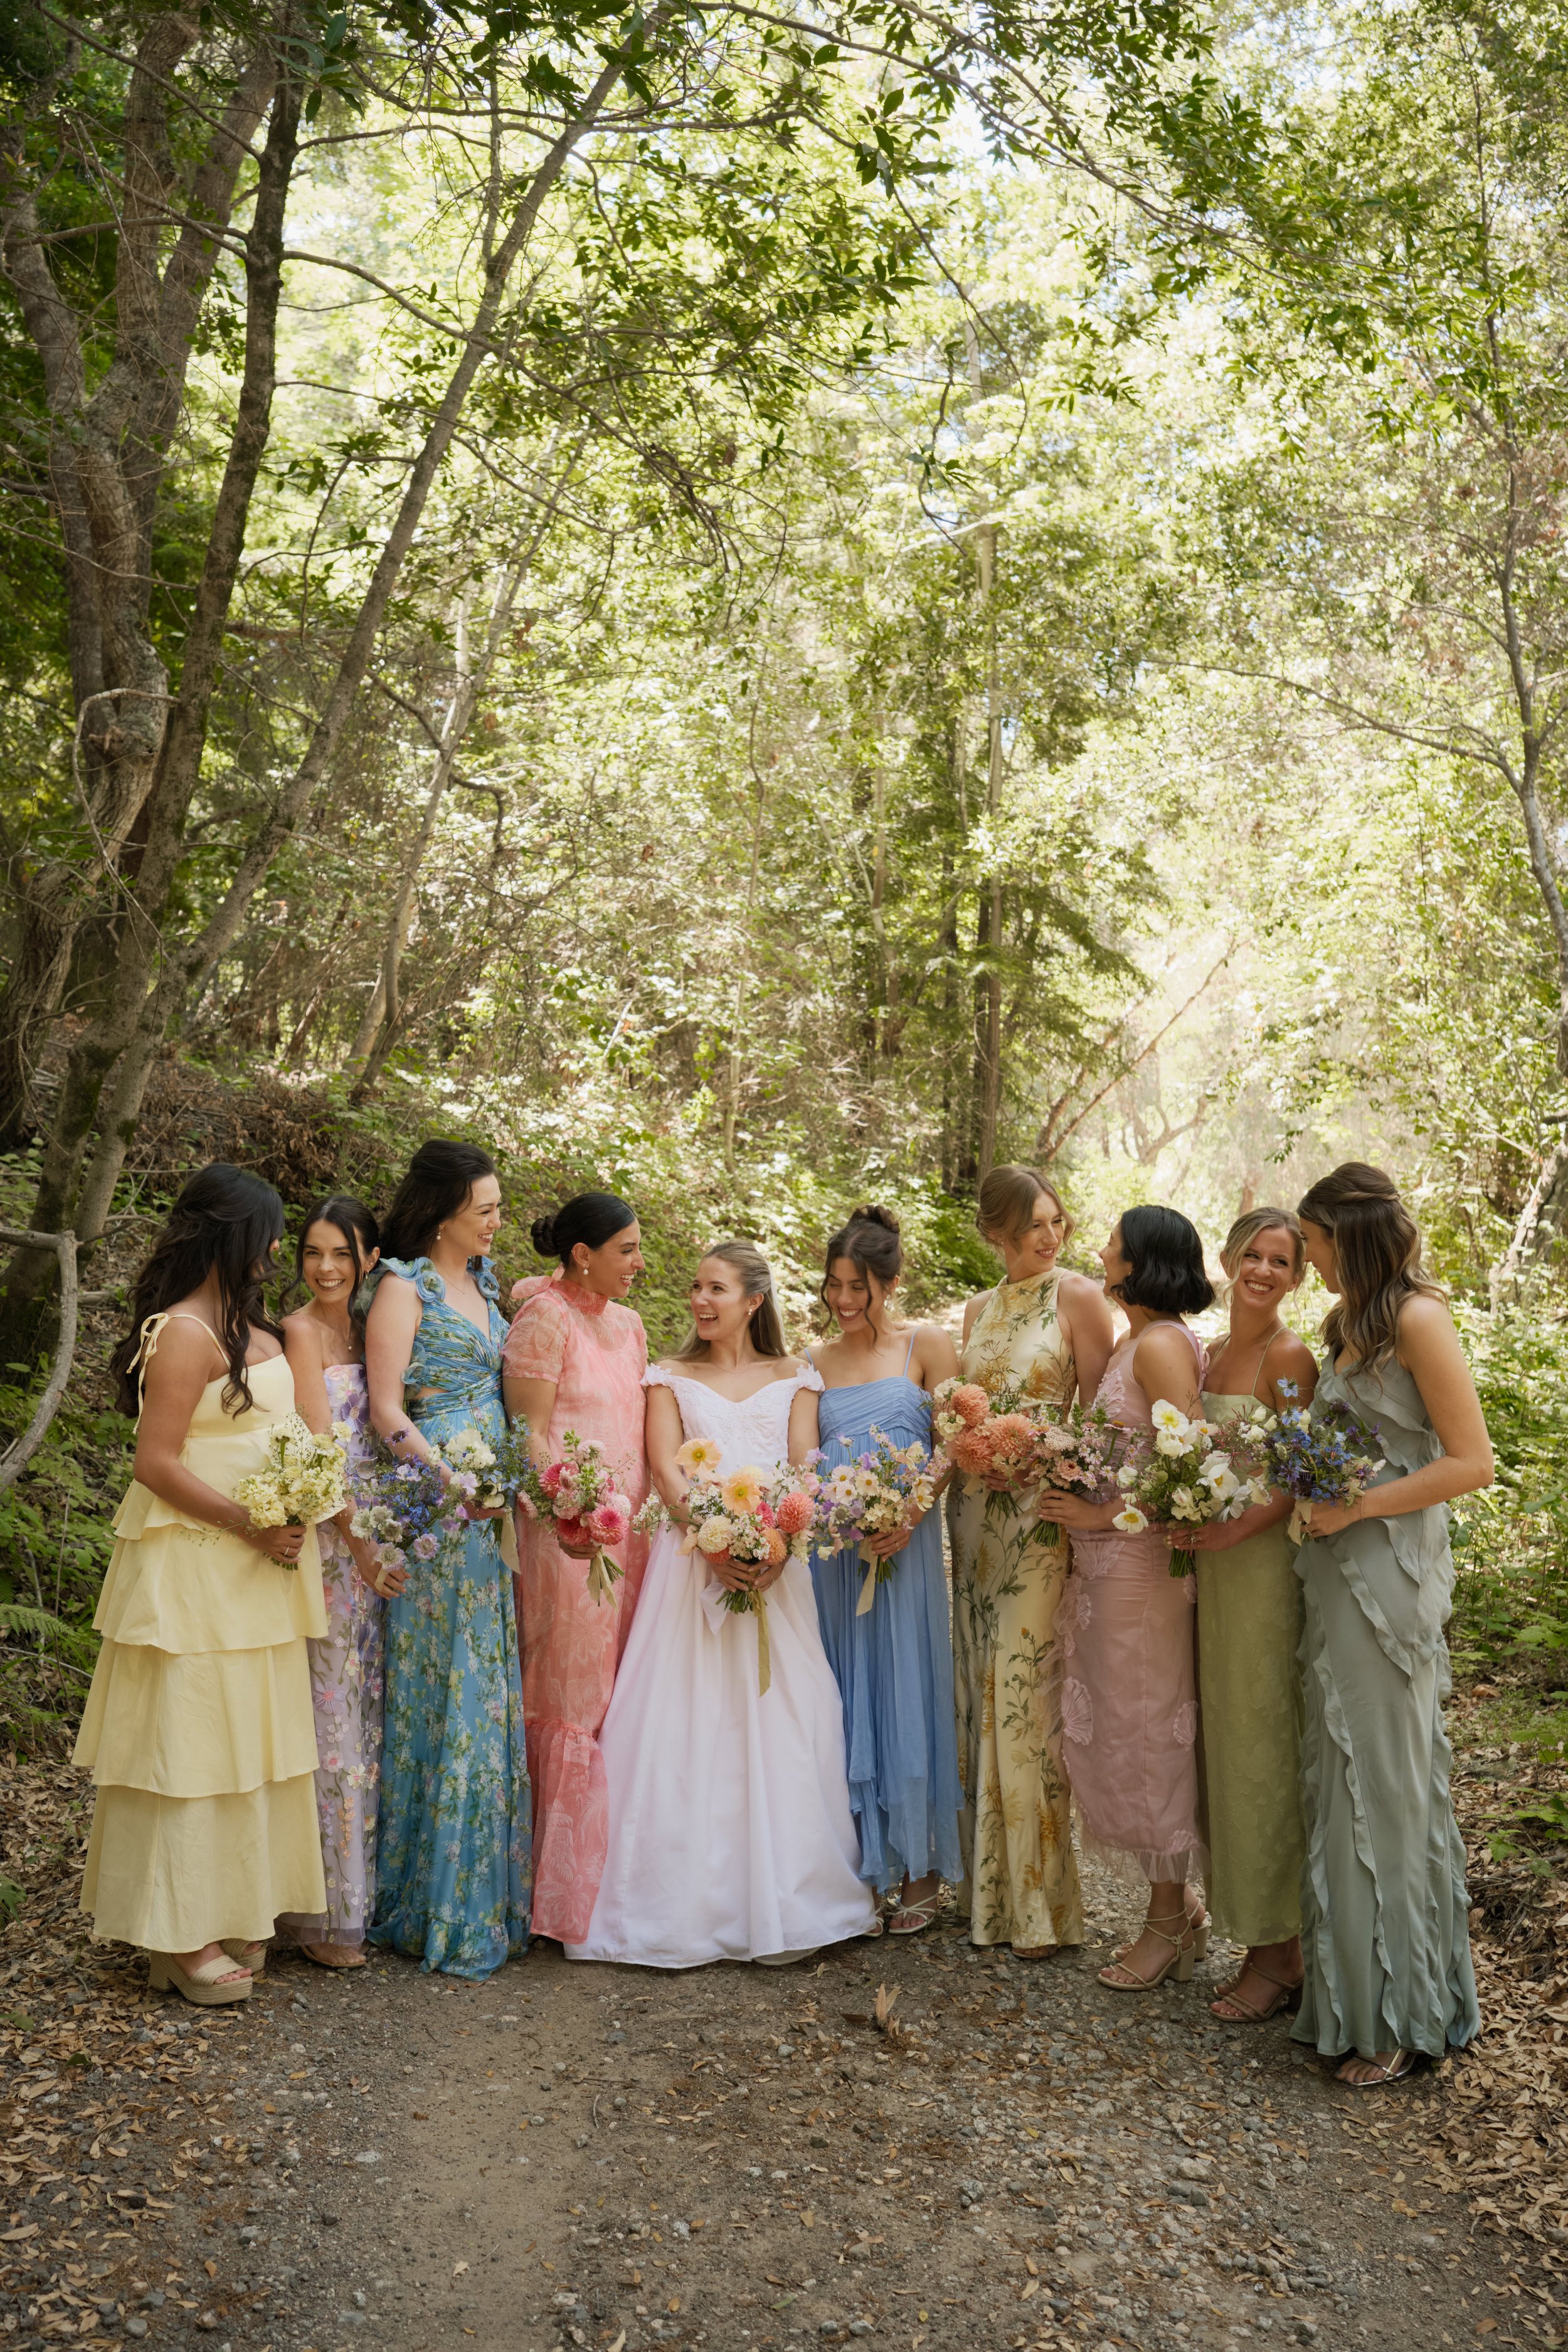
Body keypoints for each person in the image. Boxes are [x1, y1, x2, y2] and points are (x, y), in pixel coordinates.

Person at [568, 1241, 877, 1968]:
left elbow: (804, 1467)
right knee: (683, 1721)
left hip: (777, 1568)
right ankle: (674, 1902)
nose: (700, 1301)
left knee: (787, 1719)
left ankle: (788, 1898)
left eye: (716, 1288)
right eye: (695, 1287)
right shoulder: (668, 1376)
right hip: (690, 1567)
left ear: (753, 1300)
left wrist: (776, 1544)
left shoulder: (796, 1377)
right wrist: (709, 1541)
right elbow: (666, 1472)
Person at [75, 1165, 327, 2005]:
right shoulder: (183, 1331)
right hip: (194, 1562)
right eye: (266, 1234)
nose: (277, 1250)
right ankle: (178, 1934)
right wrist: (247, 1521)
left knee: (242, 1746)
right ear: (228, 1236)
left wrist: (299, 1507)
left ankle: (228, 1905)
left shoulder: (259, 1330)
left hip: (260, 1571)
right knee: (188, 1747)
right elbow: (155, 1461)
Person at [1293, 1163, 1490, 2086]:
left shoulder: (1419, 1317)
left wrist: (1358, 1506)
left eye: (1317, 1242)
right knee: (1344, 1773)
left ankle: (1408, 2018)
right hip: (1335, 1570)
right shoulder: (1351, 1325)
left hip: (1388, 1574)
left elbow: (1471, 1463)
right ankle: (1348, 2003)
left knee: (1392, 1784)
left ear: (1350, 1233)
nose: (1310, 1260)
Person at [363, 1138, 531, 1978]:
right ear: (443, 1214)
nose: (499, 1220)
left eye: (498, 1205)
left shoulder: (489, 1285)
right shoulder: (404, 1286)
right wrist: (451, 1477)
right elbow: (389, 1411)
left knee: (487, 1683)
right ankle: (428, 1904)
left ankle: (483, 1898)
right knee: (445, 1690)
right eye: (486, 1208)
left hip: (491, 1509)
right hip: (436, 1516)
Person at [1038, 1205, 1212, 1990]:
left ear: (1140, 1259)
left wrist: (1102, 1513)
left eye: (1112, 1242)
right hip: (1102, 1575)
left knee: (1148, 1739)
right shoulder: (1130, 1343)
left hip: (1143, 1576)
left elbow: (1189, 1474)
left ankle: (1169, 1920)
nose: (1101, 1251)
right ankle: (1176, 1913)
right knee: (1115, 1731)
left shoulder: (1165, 1345)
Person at [949, 1166, 1114, 1958]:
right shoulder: (977, 1309)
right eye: (1031, 1228)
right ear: (995, 1234)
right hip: (976, 1517)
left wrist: (1045, 1457)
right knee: (980, 1690)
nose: (1050, 1238)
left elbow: (1102, 1420)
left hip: (1039, 1520)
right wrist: (967, 1447)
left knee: (1023, 1703)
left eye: (1056, 1222)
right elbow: (956, 1406)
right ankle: (989, 1897)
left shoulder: (1079, 1298)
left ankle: (1041, 1908)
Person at [807, 1205, 962, 1932]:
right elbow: (803, 1459)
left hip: (906, 1547)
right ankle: (863, 1864)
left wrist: (911, 1510)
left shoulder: (926, 1345)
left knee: (905, 1684)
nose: (843, 1301)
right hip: (837, 1554)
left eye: (858, 1288)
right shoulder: (814, 1359)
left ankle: (922, 1869)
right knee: (842, 1690)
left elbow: (954, 1444)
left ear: (890, 1284)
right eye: (835, 1284)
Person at [502, 1190, 651, 1944]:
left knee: (612, 1691)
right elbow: (528, 1434)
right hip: (564, 1537)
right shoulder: (544, 1317)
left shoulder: (630, 1325)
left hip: (627, 1538)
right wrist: (571, 1513)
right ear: (581, 1254)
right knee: (565, 1693)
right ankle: (547, 1897)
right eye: (625, 1249)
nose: (639, 1262)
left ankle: (601, 1889)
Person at [1186, 1208, 1318, 2023]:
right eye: (1253, 1255)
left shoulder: (1289, 1356)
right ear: (1229, 1258)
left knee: (1262, 1751)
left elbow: (1305, 1471)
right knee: (1224, 1751)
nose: (1263, 1269)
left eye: (1281, 1260)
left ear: (1299, 1276)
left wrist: (1233, 1526)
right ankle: (1263, 1942)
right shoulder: (1208, 1353)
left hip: (1266, 1578)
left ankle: (1279, 1958)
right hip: (1211, 1576)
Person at [278, 1196, 393, 1971]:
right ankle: (320, 1914)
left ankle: (368, 1899)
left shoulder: (373, 1326)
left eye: (341, 1256)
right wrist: (356, 1542)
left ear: (368, 1261)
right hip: (331, 1538)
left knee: (368, 1708)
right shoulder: (299, 1331)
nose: (325, 1269)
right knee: (330, 1714)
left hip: (380, 1533)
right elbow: (322, 1450)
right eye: (314, 1253)